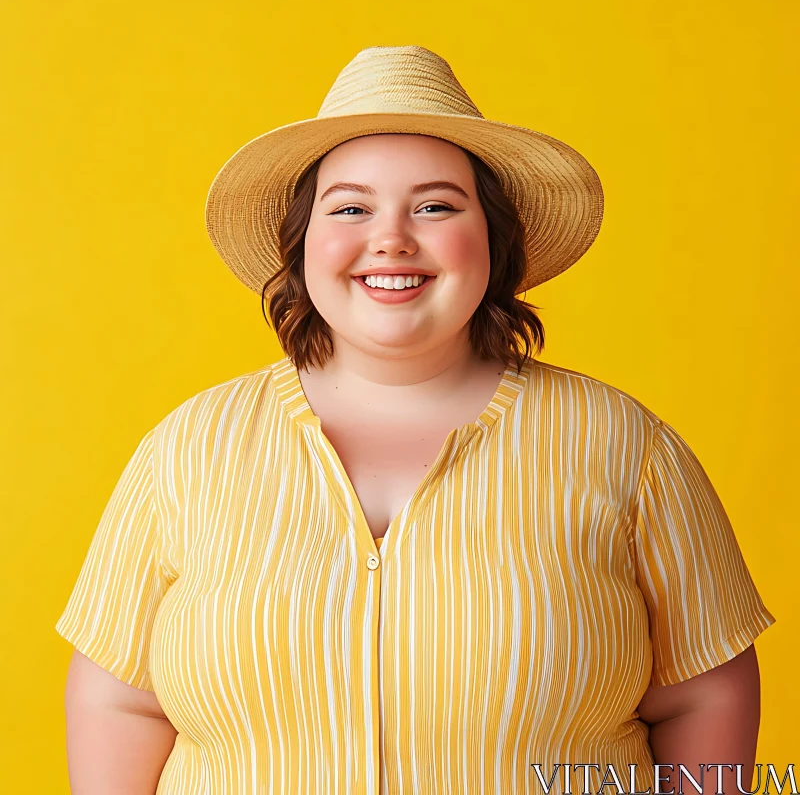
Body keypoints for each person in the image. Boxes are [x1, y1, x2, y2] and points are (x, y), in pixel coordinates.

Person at [56, 45, 776, 794]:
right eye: (350, 208)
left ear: (493, 242)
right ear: (302, 245)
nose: (392, 238)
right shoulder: (187, 448)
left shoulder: (628, 448)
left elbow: (704, 689)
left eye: (435, 205)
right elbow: (120, 699)